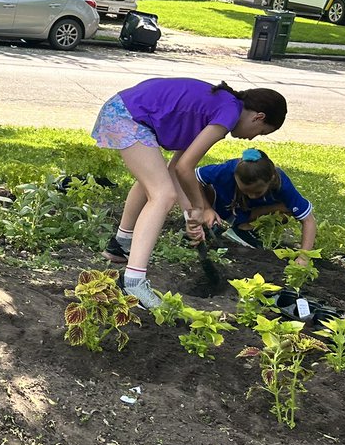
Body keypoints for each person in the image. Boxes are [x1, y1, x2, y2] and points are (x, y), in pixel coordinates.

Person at [92, 77, 287, 308]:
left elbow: (175, 169)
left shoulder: (219, 108)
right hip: (127, 116)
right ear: (259, 117)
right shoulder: (228, 113)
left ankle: (120, 245)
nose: (252, 138)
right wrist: (202, 208)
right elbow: (186, 169)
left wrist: (190, 216)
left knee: (157, 182)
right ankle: (133, 282)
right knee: (162, 195)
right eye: (261, 132)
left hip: (125, 111)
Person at [197, 148, 316, 255]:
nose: (252, 196)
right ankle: (205, 224)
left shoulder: (282, 184)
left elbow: (308, 220)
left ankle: (242, 230)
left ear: (271, 179)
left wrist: (304, 257)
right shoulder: (228, 170)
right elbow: (194, 177)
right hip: (219, 205)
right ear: (235, 176)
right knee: (200, 186)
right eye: (245, 191)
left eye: (257, 192)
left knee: (288, 208)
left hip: (247, 214)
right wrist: (206, 208)